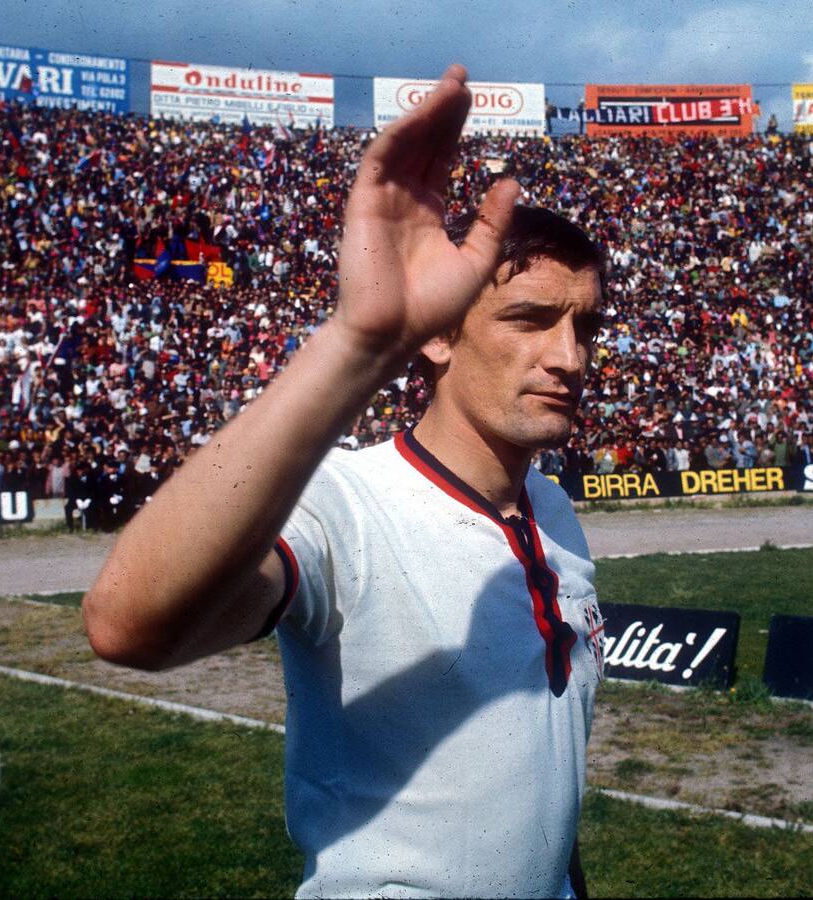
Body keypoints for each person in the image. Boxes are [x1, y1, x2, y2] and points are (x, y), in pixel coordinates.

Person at [82, 65, 605, 899]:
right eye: (530, 319)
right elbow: (126, 625)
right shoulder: (345, 506)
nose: (569, 357)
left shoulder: (553, 508)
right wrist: (358, 344)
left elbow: (545, 769)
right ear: (439, 336)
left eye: (585, 326)